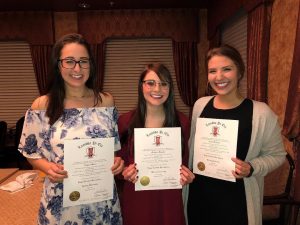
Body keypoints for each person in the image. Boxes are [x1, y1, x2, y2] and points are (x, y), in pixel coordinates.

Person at [18, 33, 124, 225]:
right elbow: (30, 152)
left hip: (102, 199)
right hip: (61, 200)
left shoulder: (106, 101)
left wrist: (116, 162)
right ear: (58, 65)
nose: (77, 68)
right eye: (69, 61)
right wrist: (48, 168)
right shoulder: (42, 105)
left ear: (91, 65)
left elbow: (113, 147)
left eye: (83, 61)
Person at [185, 44, 286, 225]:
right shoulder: (200, 106)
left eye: (227, 69)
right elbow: (192, 148)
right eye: (212, 71)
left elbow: (277, 155)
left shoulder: (261, 113)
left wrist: (251, 167)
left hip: (237, 202)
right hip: (199, 198)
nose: (219, 77)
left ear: (239, 71)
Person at [117, 63, 195, 225]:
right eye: (150, 83)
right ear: (141, 86)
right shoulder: (125, 122)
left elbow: (186, 163)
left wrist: (187, 175)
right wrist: (124, 171)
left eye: (163, 84)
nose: (157, 89)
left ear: (170, 88)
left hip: (169, 200)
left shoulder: (182, 122)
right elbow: (118, 165)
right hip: (137, 199)